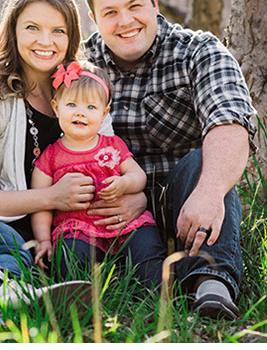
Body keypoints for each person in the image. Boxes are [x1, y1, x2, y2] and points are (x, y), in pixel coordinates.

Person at [0, 0, 143, 308]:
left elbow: (111, 162)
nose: (46, 41)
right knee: (0, 240)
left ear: (72, 37)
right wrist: (50, 196)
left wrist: (135, 200)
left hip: (65, 233)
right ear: (12, 31)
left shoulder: (87, 95)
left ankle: (71, 289)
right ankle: (12, 296)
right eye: (32, 28)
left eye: (58, 30)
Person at [81, 0, 257, 319]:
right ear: (94, 19)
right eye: (110, 12)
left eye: (135, 6)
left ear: (155, 3)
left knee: (201, 163)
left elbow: (230, 123)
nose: (125, 21)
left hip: (188, 206)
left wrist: (208, 193)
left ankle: (211, 282)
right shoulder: (82, 65)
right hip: (110, 210)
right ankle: (85, 285)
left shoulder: (198, 51)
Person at [30, 60, 166, 290]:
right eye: (72, 104)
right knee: (68, 258)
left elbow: (138, 176)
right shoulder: (50, 156)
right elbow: (40, 202)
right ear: (56, 107)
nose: (81, 113)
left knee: (148, 250)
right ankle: (78, 292)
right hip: (77, 230)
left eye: (91, 108)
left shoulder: (113, 145)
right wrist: (43, 240)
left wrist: (124, 184)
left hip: (124, 223)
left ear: (104, 113)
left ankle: (159, 288)